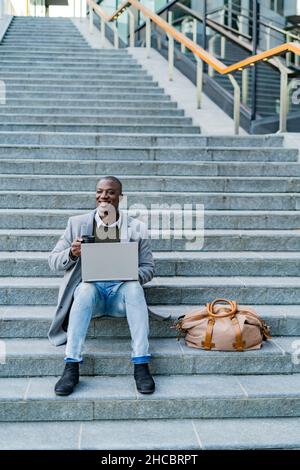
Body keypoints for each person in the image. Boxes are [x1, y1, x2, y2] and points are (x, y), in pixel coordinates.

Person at [48, 176, 156, 396]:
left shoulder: (137, 228)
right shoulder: (77, 224)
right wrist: (71, 253)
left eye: (110, 192)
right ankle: (71, 366)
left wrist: (129, 273)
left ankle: (141, 364)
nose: (104, 196)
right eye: (99, 191)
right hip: (92, 295)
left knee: (135, 288)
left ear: (120, 197)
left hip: (120, 295)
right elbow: (53, 261)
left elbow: (149, 268)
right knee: (86, 289)